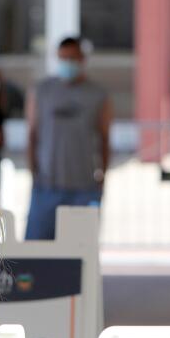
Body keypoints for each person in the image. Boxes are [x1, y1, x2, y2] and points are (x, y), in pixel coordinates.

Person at [25, 36, 111, 240]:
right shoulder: (41, 90)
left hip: (84, 188)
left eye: (72, 58)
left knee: (81, 250)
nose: (67, 63)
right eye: (63, 58)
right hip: (46, 186)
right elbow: (32, 135)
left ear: (83, 59)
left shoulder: (98, 94)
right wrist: (33, 174)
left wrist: (103, 178)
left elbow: (105, 138)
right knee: (36, 251)